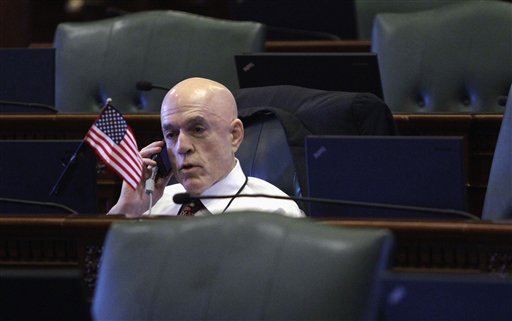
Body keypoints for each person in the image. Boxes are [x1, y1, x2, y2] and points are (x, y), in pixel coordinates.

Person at [108, 77, 304, 217]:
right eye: (171, 134)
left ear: (235, 135)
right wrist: (127, 209)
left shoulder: (273, 213)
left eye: (197, 129)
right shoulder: (151, 205)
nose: (181, 147)